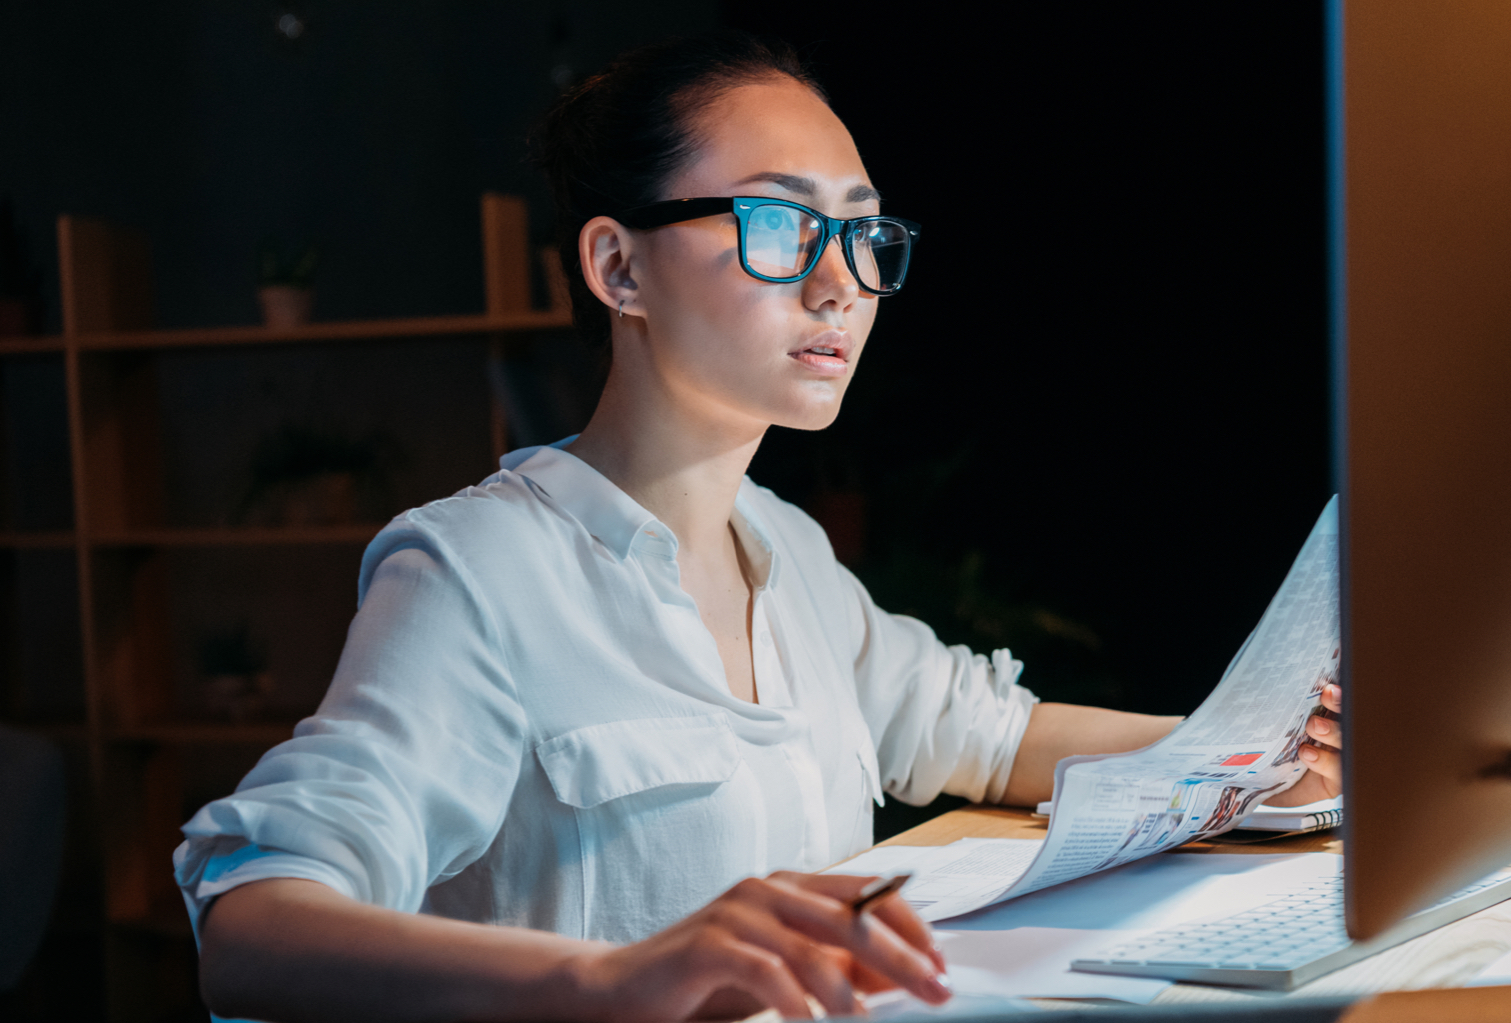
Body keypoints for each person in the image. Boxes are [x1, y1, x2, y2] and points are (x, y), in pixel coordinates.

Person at [179, 32, 1345, 1023]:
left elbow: (986, 734)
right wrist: (615, 980)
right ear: (617, 267)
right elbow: (254, 925)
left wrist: (1259, 755)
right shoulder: (479, 571)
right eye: (781, 227)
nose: (841, 284)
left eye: (865, 236)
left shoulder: (784, 549)